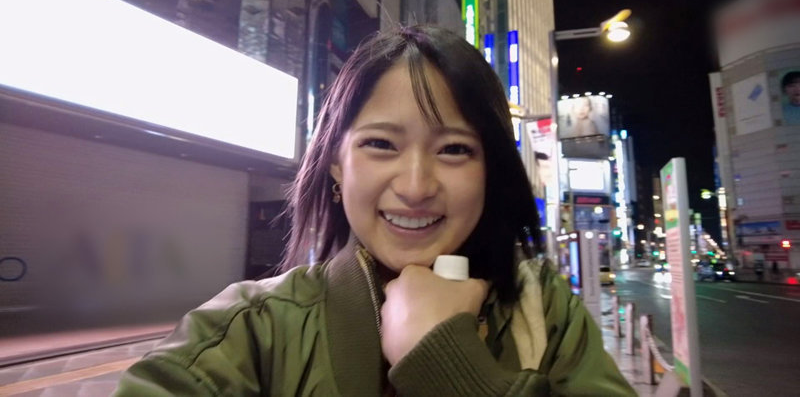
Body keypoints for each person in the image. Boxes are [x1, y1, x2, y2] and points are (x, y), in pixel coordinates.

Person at [114, 26, 635, 396]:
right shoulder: (251, 330)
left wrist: (449, 367)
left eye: (455, 149)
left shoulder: (546, 313)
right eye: (381, 144)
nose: (415, 187)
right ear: (336, 166)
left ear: (490, 171)